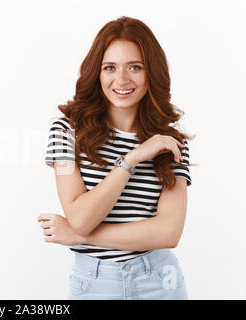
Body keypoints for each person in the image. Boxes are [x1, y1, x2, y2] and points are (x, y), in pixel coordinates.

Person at [39, 16, 195, 300]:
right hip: (95, 284)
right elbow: (81, 217)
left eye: (135, 67)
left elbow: (168, 232)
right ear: (96, 73)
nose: (121, 80)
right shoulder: (65, 131)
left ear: (152, 73)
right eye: (110, 67)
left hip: (159, 282)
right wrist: (132, 159)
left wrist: (80, 237)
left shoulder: (170, 141)